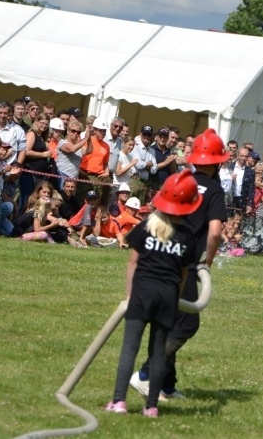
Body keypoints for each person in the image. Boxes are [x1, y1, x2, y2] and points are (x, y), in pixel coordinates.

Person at [130, 128, 228, 401]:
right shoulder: (216, 190)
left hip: (159, 252)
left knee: (168, 319)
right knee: (186, 324)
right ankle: (146, 374)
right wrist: (205, 263)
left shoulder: (181, 179)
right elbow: (216, 232)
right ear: (219, 161)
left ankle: (166, 385)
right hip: (184, 261)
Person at [105, 169, 202, 417]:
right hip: (167, 298)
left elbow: (132, 263)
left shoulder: (147, 226)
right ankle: (151, 407)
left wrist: (129, 295)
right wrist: (175, 298)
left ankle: (118, 402)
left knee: (130, 348)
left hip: (142, 294)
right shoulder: (187, 236)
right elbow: (183, 275)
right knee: (158, 353)